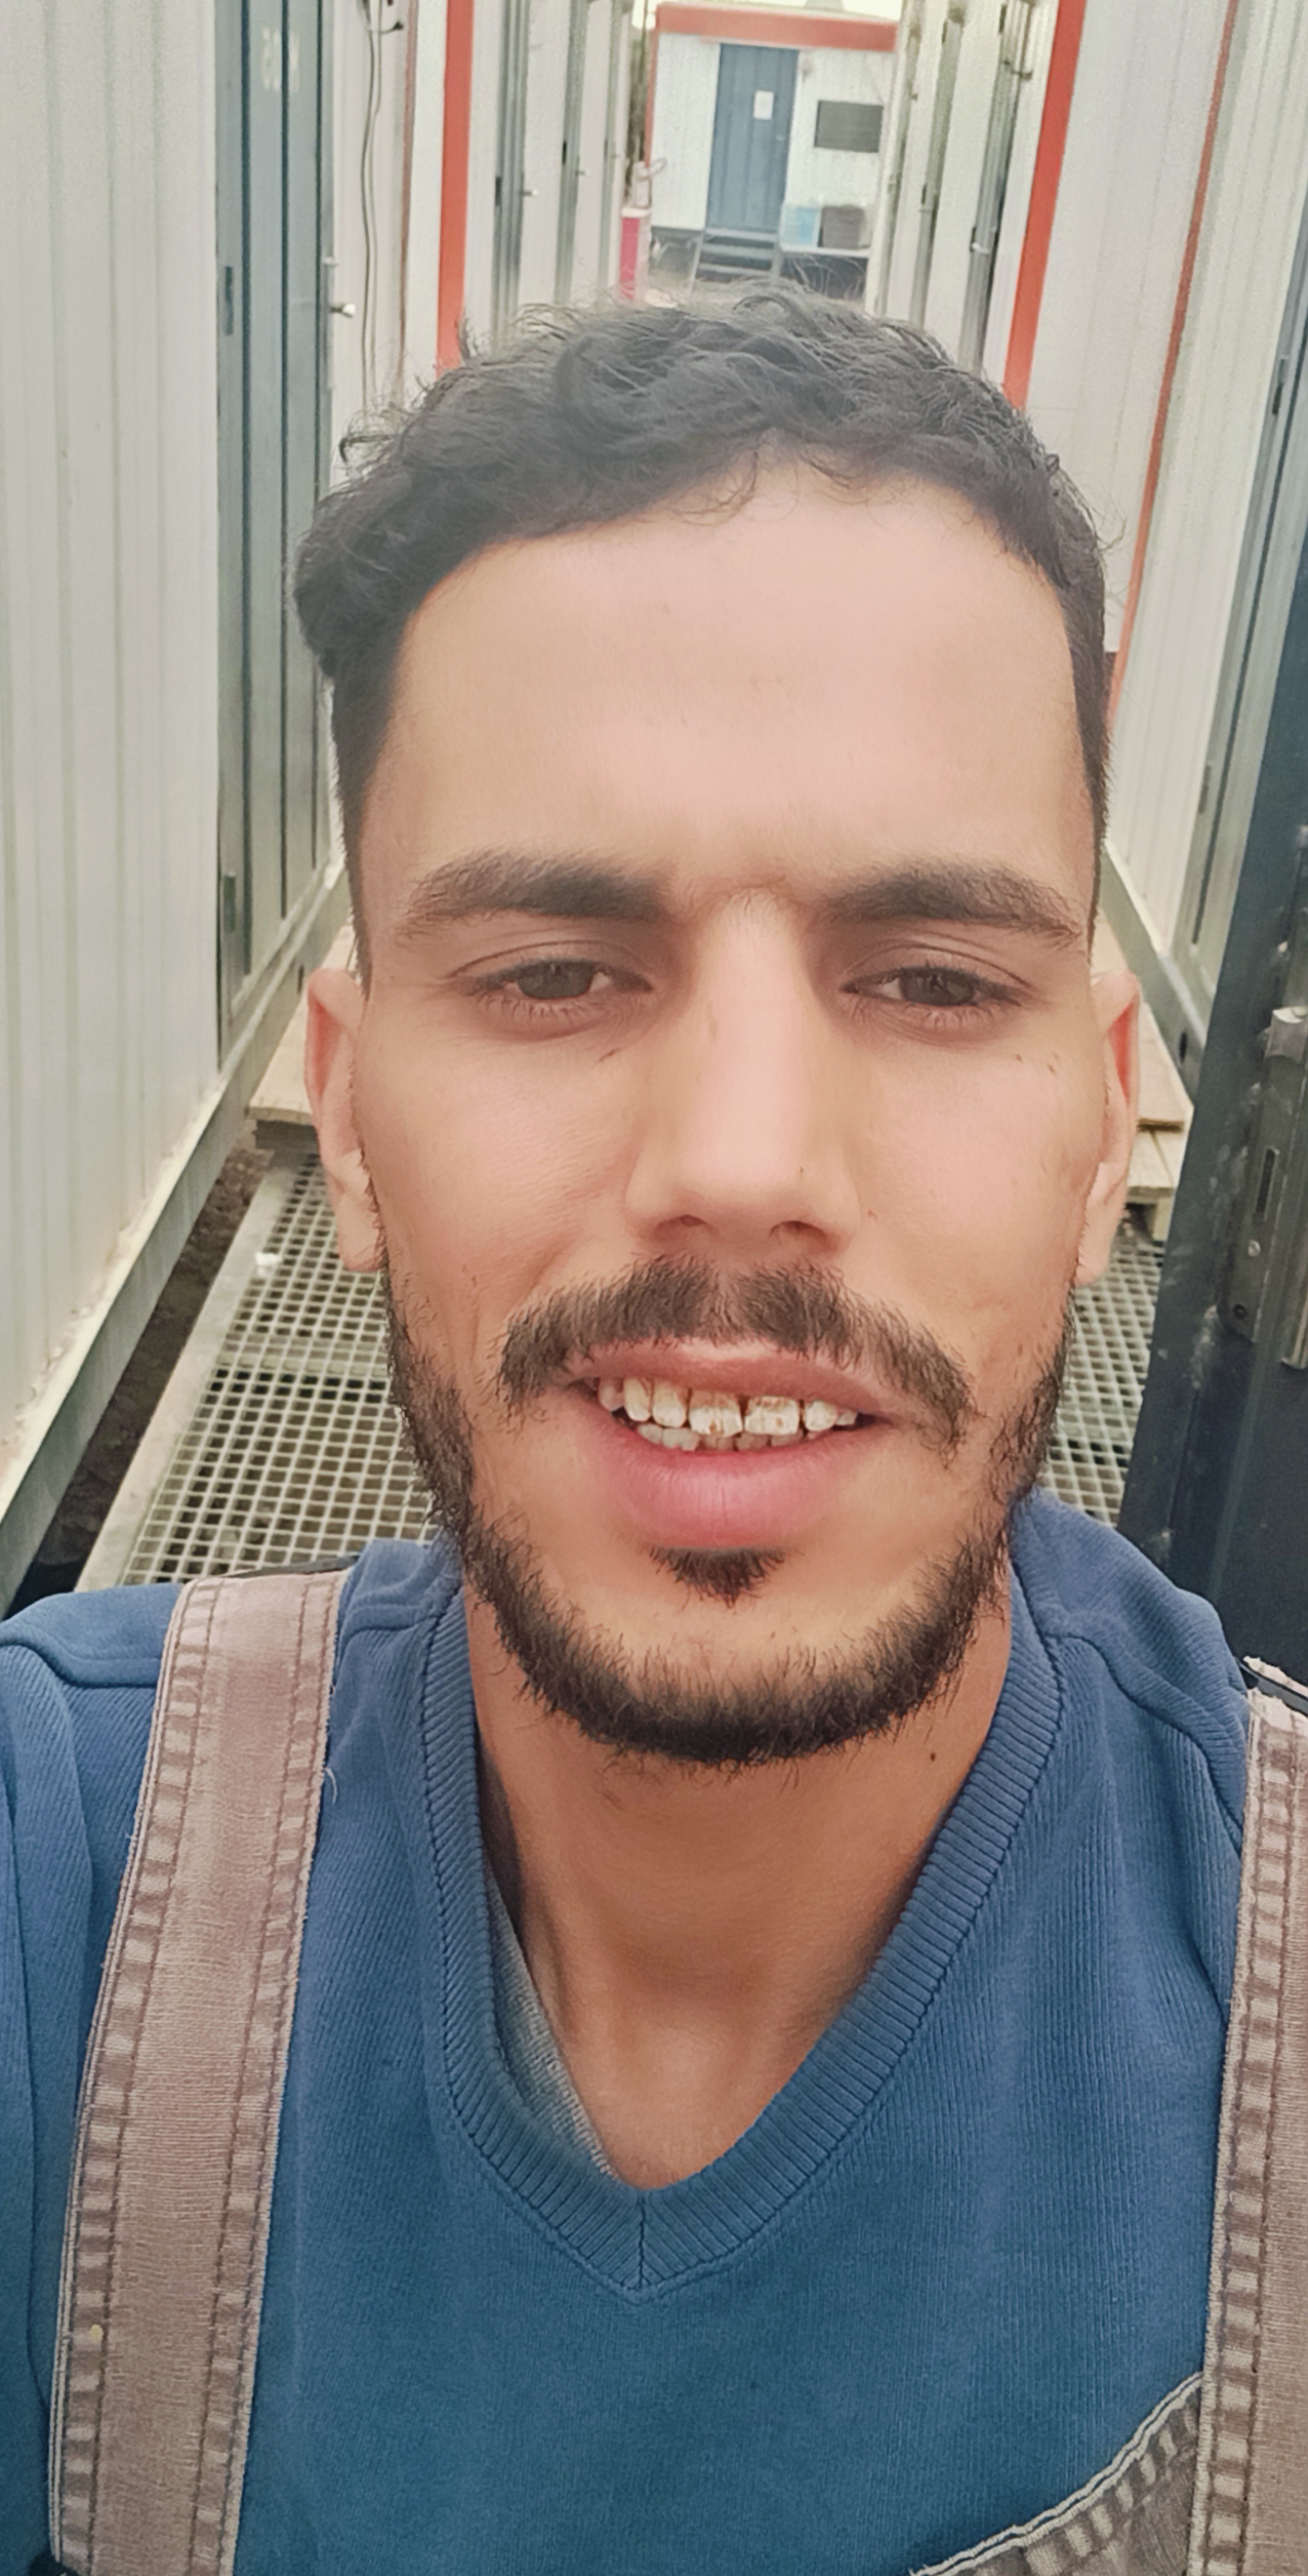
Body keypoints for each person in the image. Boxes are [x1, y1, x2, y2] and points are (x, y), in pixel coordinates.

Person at [1, 296, 1251, 2573]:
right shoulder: (49, 1898)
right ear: (348, 1119)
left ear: (1104, 1136)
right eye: (556, 974)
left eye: (933, 980)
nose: (740, 1159)